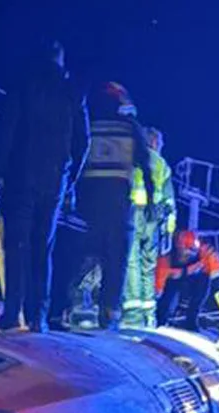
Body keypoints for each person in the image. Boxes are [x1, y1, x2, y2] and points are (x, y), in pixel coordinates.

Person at [0, 41, 88, 331]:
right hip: (54, 178)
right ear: (62, 62)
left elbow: (6, 130)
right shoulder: (73, 93)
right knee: (43, 247)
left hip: (20, 175)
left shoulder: (23, 85)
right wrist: (70, 177)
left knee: (17, 244)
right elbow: (83, 142)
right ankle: (40, 317)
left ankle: (12, 314)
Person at [76, 82, 150, 330]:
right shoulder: (130, 128)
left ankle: (66, 305)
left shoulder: (88, 125)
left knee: (83, 255)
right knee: (116, 261)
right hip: (119, 203)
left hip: (87, 201)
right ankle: (108, 314)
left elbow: (74, 156)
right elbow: (145, 162)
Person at [121, 127, 176, 329]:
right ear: (155, 142)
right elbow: (170, 201)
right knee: (148, 265)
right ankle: (149, 315)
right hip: (155, 218)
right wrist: (168, 231)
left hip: (134, 212)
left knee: (132, 261)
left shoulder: (132, 156)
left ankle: (133, 315)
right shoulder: (162, 164)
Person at [154, 230, 219, 330]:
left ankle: (191, 320)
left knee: (204, 281)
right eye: (186, 252)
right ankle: (161, 319)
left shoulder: (205, 251)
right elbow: (159, 285)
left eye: (191, 252)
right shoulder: (166, 258)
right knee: (168, 296)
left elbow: (216, 269)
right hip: (173, 282)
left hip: (194, 282)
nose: (188, 255)